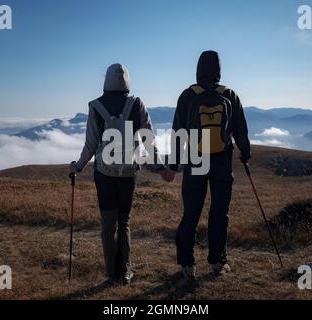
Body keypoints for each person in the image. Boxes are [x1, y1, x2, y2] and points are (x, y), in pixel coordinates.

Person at [70, 63, 166, 285]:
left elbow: (91, 143)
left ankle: (111, 273)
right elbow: (147, 139)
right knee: (124, 222)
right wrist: (160, 166)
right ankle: (125, 272)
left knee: (107, 224)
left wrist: (78, 166)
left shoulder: (96, 106)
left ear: (106, 81)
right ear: (127, 81)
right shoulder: (136, 104)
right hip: (127, 174)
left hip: (103, 174)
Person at [165, 51, 251, 280]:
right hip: (222, 160)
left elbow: (178, 133)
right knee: (220, 213)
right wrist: (246, 153)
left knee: (191, 212)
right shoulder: (230, 95)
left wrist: (173, 166)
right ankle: (217, 262)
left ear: (198, 69)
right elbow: (240, 128)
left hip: (196, 159)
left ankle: (186, 264)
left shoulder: (188, 95)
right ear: (219, 70)